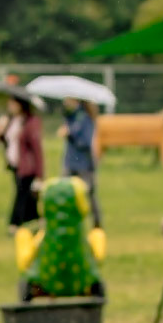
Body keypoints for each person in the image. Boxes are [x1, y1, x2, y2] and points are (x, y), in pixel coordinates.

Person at [0, 94, 44, 233]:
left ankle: (14, 224)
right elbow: (7, 141)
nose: (10, 106)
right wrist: (0, 131)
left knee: (21, 195)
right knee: (27, 196)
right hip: (14, 164)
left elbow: (37, 148)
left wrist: (40, 173)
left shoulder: (30, 122)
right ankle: (38, 220)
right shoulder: (11, 120)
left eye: (12, 104)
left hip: (27, 166)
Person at [59, 97, 102, 228]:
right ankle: (66, 222)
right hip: (70, 162)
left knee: (89, 195)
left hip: (83, 164)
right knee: (64, 192)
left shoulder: (84, 117)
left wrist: (70, 134)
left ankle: (97, 224)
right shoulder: (71, 116)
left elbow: (85, 142)